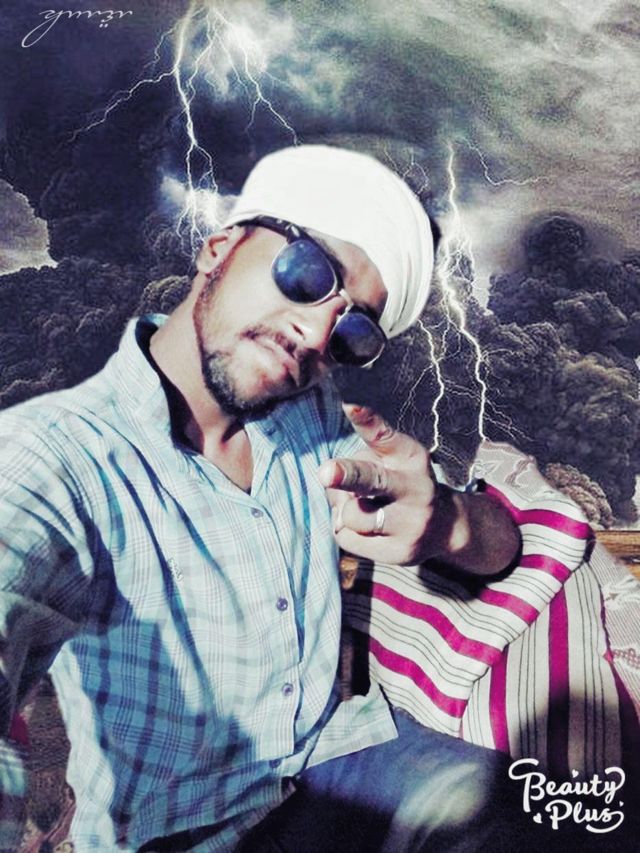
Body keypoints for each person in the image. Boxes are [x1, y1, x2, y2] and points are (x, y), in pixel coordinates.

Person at [0, 145, 563, 852]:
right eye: (308, 273)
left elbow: (500, 547)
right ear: (218, 249)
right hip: (184, 831)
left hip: (340, 759)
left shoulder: (312, 416)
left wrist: (445, 525)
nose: (317, 331)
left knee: (563, 819)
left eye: (354, 330)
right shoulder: (52, 458)